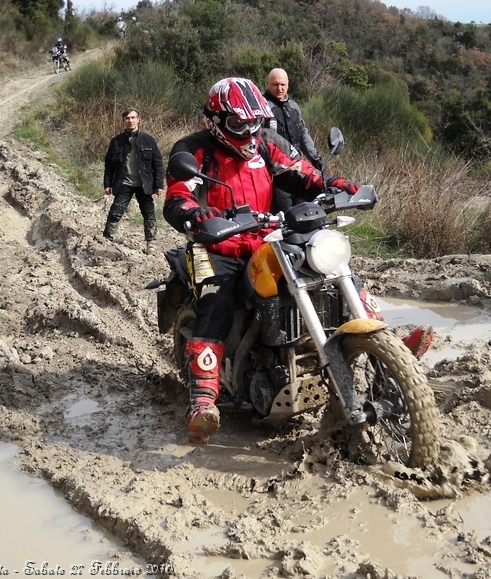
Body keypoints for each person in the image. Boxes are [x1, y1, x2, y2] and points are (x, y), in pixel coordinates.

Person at [163, 77, 433, 445]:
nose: (248, 130)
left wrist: (336, 186)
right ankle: (203, 401)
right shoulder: (193, 151)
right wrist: (195, 217)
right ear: (213, 121)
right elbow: (178, 197)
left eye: (255, 121)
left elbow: (303, 172)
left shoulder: (267, 143)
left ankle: (389, 349)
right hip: (215, 245)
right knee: (216, 301)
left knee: (332, 271)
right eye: (238, 124)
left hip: (265, 238)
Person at [103, 107, 164, 254]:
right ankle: (107, 238)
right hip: (124, 183)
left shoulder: (148, 140)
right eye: (127, 118)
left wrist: (159, 184)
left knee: (149, 213)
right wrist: (107, 184)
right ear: (123, 121)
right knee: (115, 211)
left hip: (144, 184)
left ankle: (151, 243)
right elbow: (109, 164)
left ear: (138, 119)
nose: (130, 121)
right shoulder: (116, 142)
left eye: (133, 117)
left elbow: (158, 163)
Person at [263, 68, 323, 213]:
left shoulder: (294, 107)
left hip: (298, 170)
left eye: (282, 84)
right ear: (268, 84)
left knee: (305, 212)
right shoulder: (262, 108)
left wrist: (314, 157)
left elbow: (303, 133)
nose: (279, 88)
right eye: (275, 84)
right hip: (276, 173)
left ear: (288, 84)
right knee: (284, 215)